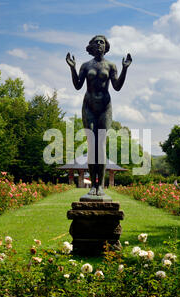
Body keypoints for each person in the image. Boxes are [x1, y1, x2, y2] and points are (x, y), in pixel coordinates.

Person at [66, 35, 131, 196]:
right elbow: (77, 85)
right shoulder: (85, 66)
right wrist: (72, 68)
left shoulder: (111, 65)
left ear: (106, 46)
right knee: (91, 146)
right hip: (88, 107)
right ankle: (93, 185)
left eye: (102, 42)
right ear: (92, 47)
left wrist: (125, 69)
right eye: (96, 42)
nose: (99, 45)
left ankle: (99, 185)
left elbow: (117, 86)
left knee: (100, 145)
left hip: (104, 107)